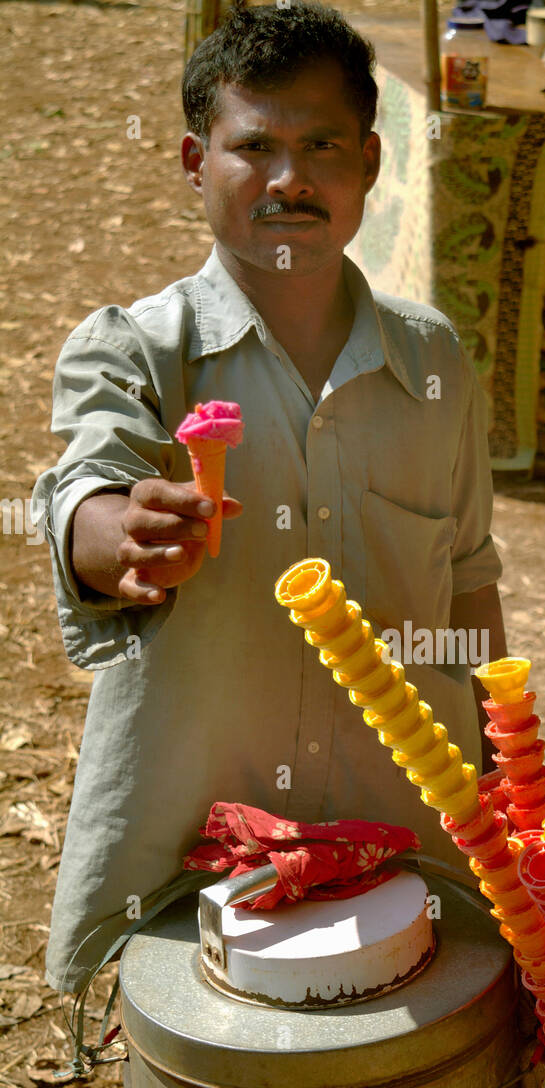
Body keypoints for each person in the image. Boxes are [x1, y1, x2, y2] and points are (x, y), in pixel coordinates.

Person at [31, 0, 507, 998]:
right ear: (196, 164)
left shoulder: (434, 364)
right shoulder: (134, 352)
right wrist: (125, 538)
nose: (290, 179)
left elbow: (467, 577)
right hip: (194, 848)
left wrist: (504, 776)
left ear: (372, 164)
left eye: (322, 144)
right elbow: (88, 493)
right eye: (255, 147)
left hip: (411, 837)